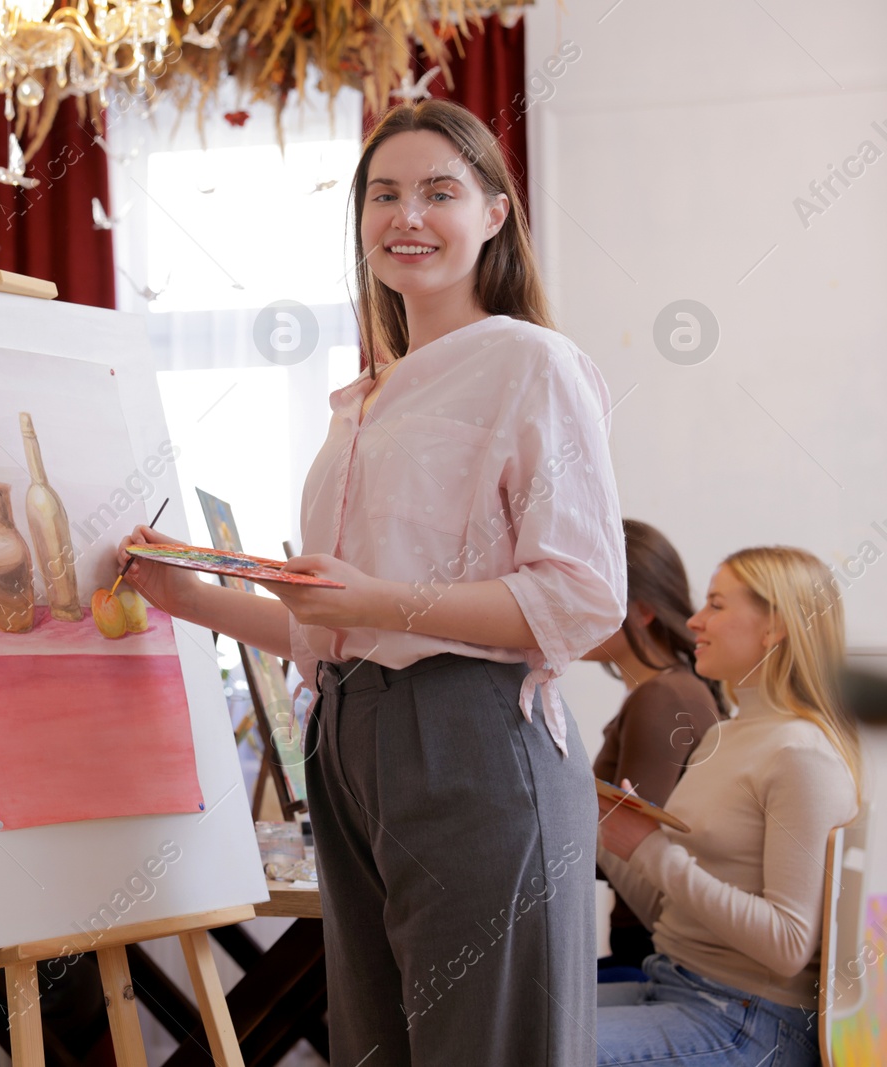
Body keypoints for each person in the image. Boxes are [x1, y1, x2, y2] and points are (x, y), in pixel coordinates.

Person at [120, 99, 625, 1066]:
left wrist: (375, 602)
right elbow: (331, 628)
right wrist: (182, 592)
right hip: (351, 735)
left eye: (441, 191)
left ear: (495, 214)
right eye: (384, 194)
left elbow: (580, 595)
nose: (408, 215)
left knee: (487, 1048)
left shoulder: (532, 363)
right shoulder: (366, 400)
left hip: (474, 740)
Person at [595, 546, 861, 1066]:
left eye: (716, 605)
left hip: (752, 1021)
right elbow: (669, 914)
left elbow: (788, 944)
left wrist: (652, 852)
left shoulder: (802, 755)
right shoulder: (727, 736)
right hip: (672, 982)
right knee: (493, 1030)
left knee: (524, 1048)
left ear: (775, 626)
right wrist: (609, 833)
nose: (694, 620)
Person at [584, 519, 726, 976]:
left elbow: (632, 851)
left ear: (642, 610)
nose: (566, 606)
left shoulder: (664, 698)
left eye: (585, 590)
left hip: (651, 960)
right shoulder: (663, 693)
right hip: (644, 952)